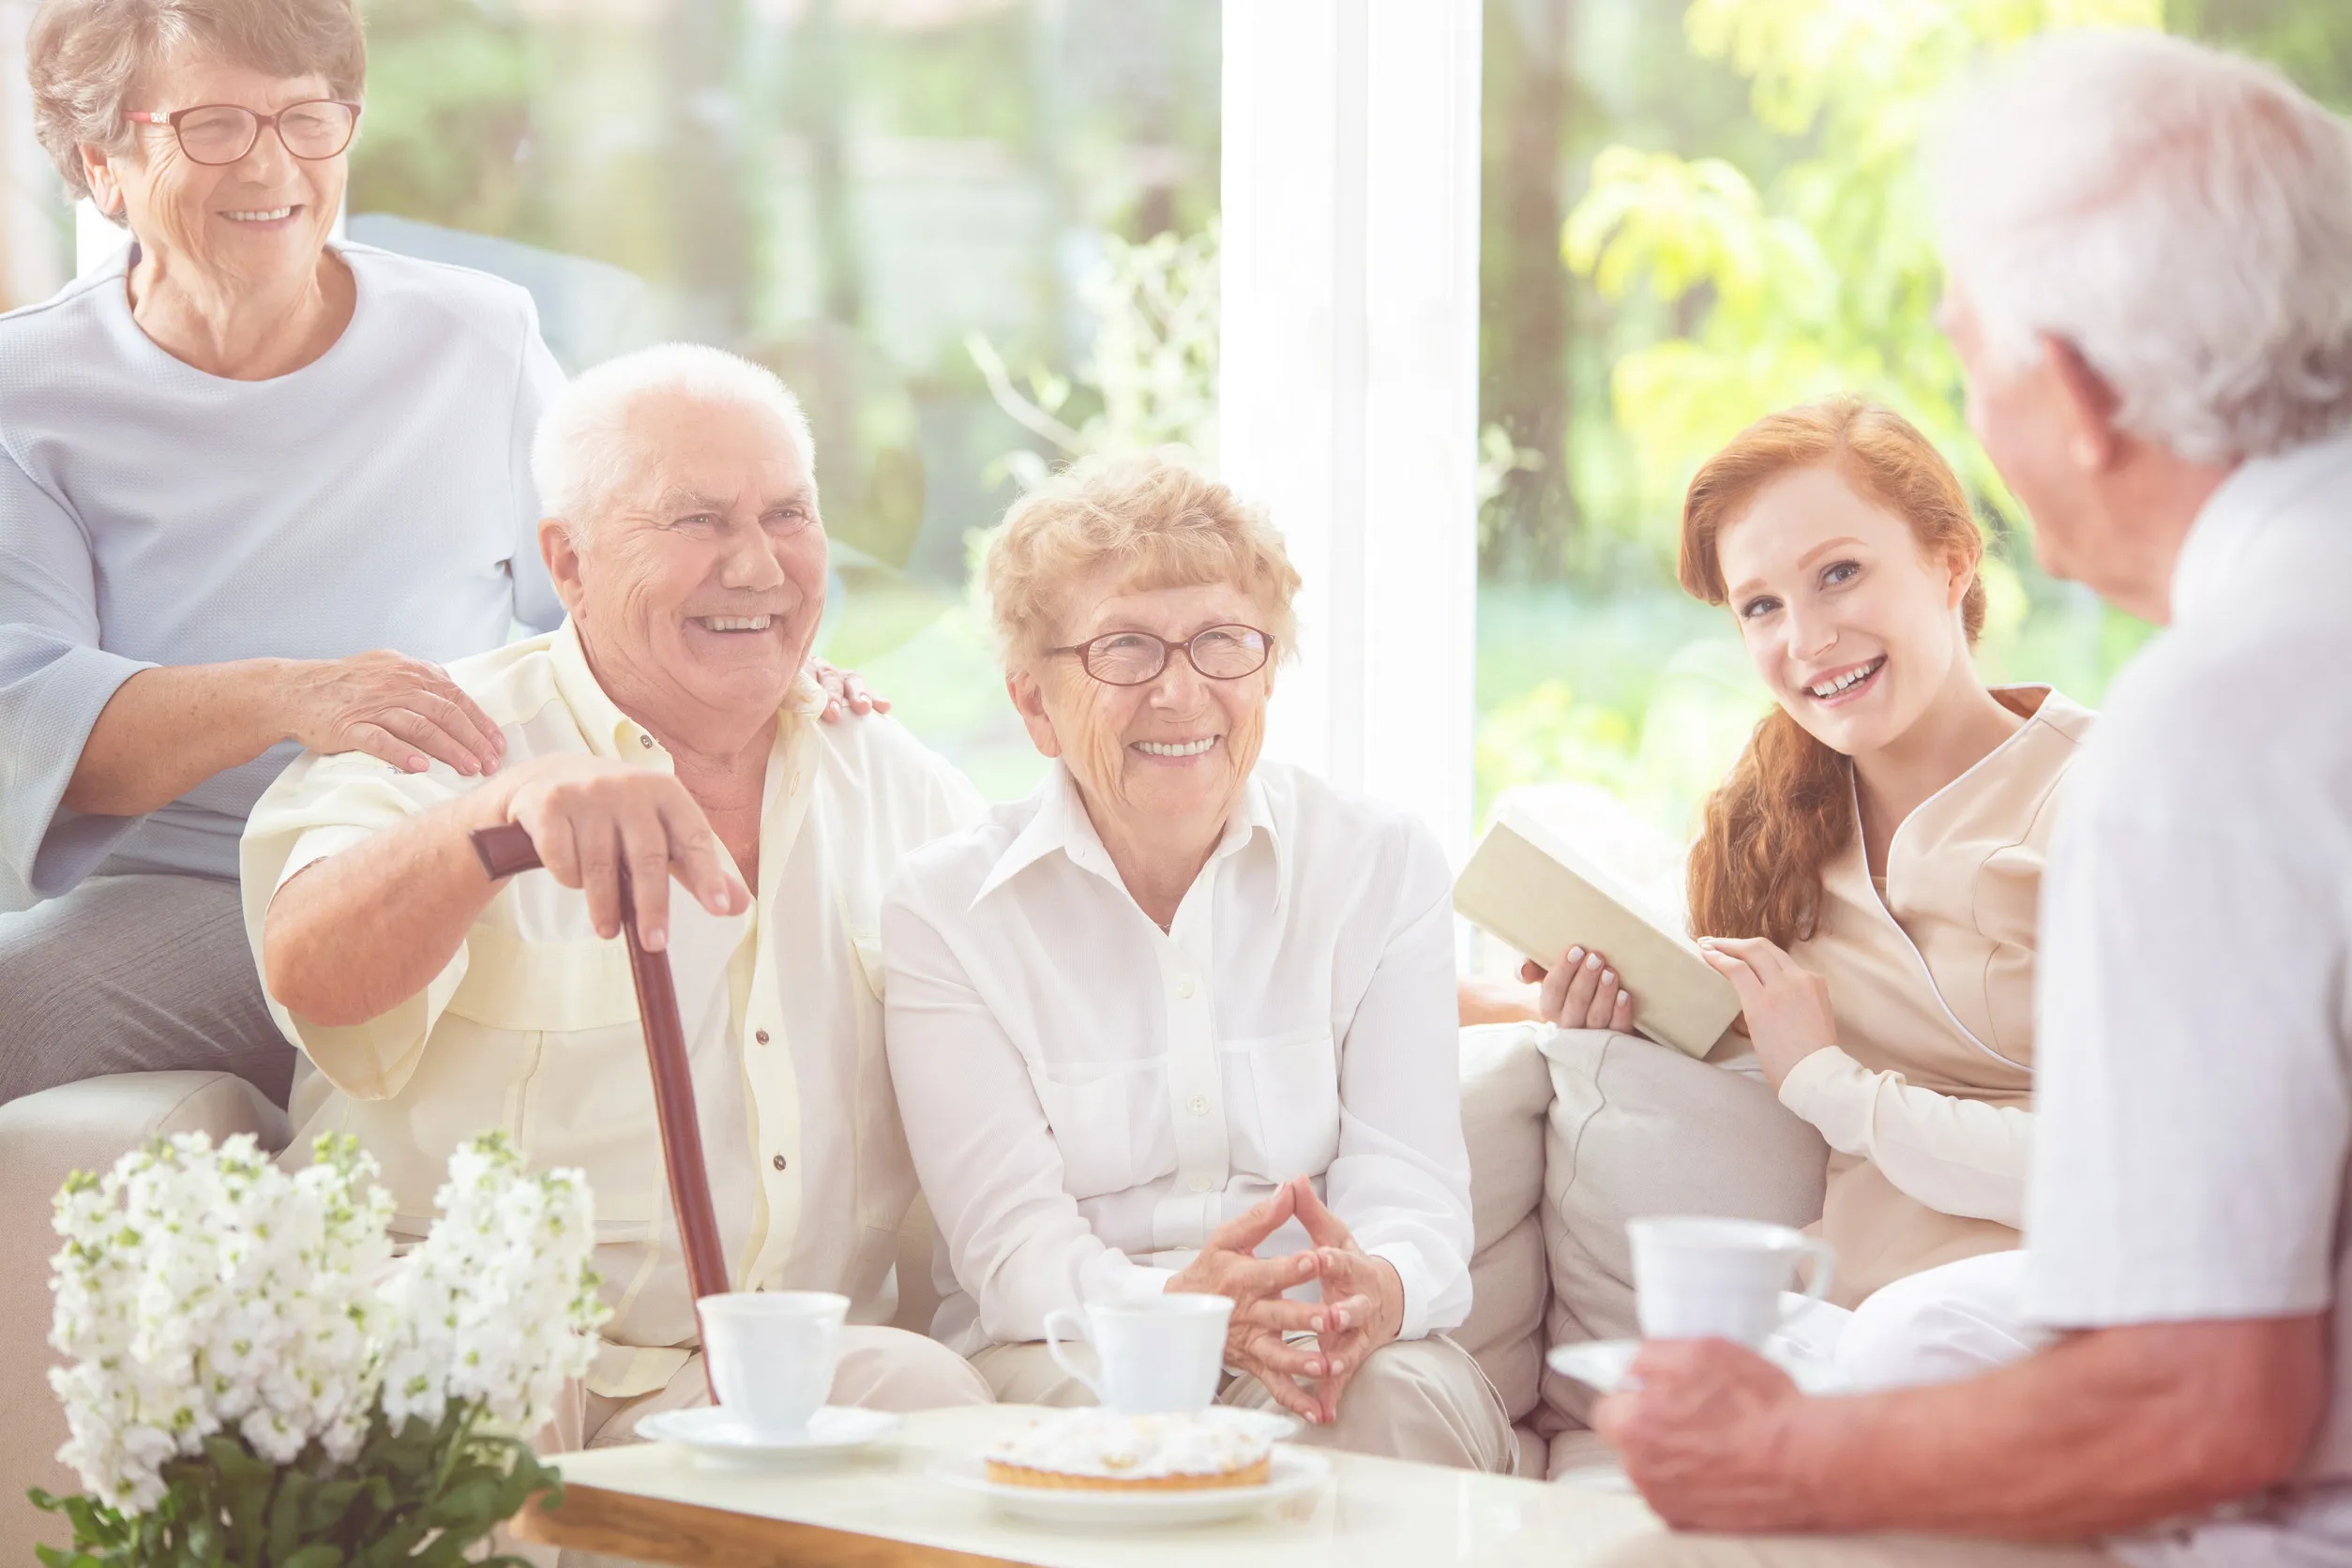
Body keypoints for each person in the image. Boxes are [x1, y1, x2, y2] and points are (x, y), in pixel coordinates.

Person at [1595, 30, 2352, 1567]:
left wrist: (1777, 1455)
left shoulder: (2201, 740)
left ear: (2065, 394)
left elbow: (2199, 1400)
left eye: (1969, 369)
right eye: (1757, 604)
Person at [0, 0, 874, 1108]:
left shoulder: (479, 335)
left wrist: (757, 666)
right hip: (196, 883)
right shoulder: (28, 390)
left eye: (309, 120)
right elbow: (26, 723)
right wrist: (292, 695)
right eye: (215, 126)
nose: (274, 165)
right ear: (102, 163)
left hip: (450, 836)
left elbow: (604, 587)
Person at [243, 344, 988, 1441]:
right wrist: (491, 823)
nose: (756, 567)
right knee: (461, 1381)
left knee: (928, 1405)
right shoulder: (440, 736)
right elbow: (309, 966)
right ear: (570, 560)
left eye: (788, 514)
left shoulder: (900, 784)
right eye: (694, 522)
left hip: (758, 1370)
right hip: (465, 1339)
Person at [881, 452, 1514, 1471]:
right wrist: (1187, 1311)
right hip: (1078, 1345)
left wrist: (1379, 1287)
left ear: (1265, 671)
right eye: (1126, 649)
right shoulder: (948, 910)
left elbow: (1413, 1190)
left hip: (1330, 1337)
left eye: (1223, 643)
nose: (1183, 692)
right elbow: (1015, 1258)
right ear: (1034, 704)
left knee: (1389, 1403)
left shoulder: (1379, 862)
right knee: (1124, 1428)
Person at [1523, 399, 2092, 1382]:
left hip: (2071, 1304)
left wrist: (1831, 1085)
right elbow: (1728, 1017)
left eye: (1840, 573)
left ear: (1952, 563)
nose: (1809, 638)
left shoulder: (2107, 802)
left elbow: (2115, 1172)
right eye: (1762, 606)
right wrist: (1586, 1004)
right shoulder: (1771, 834)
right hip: (1845, 1323)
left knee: (1906, 1343)